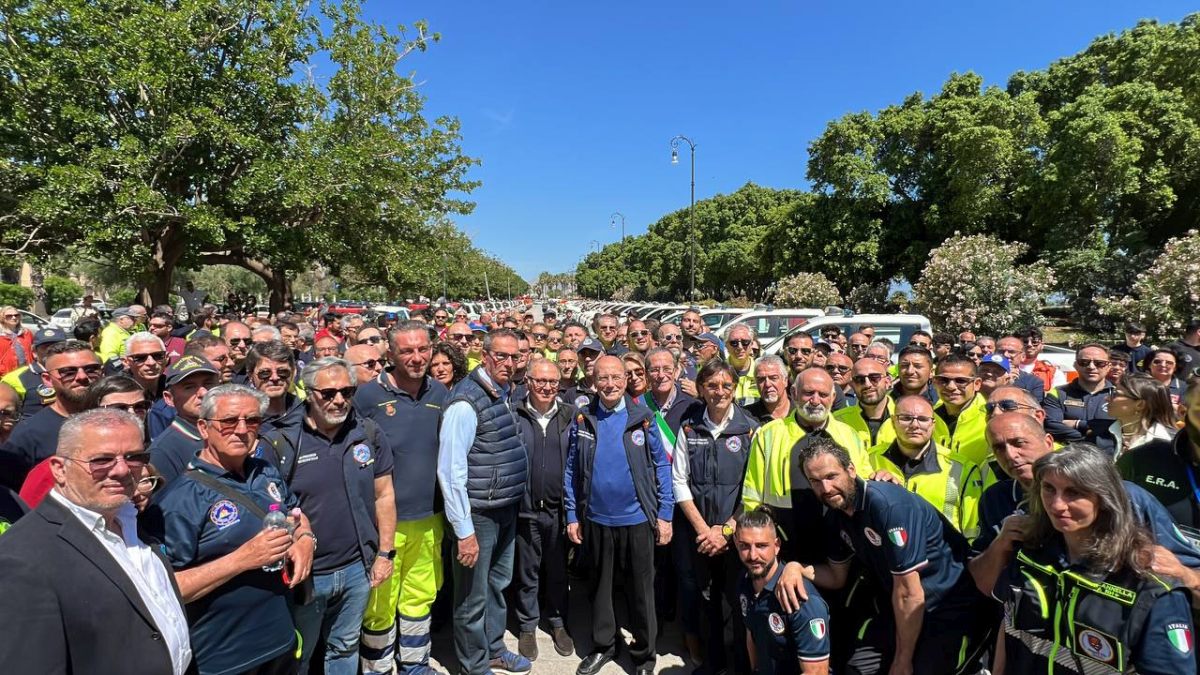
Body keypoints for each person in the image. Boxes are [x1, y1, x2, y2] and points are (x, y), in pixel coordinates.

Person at [0, 408, 193, 674]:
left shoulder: (127, 519)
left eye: (134, 457)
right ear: (59, 469)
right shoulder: (22, 558)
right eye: (101, 460)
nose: (122, 470)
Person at [781, 438, 995, 675]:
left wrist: (902, 660)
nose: (826, 488)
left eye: (832, 476)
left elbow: (909, 592)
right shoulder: (836, 515)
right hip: (901, 611)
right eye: (815, 481)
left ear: (851, 469)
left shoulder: (888, 506)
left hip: (950, 609)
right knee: (856, 669)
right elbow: (836, 577)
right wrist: (795, 567)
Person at [149, 384, 314, 675]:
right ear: (204, 427)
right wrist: (242, 559)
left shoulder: (264, 470)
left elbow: (295, 513)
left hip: (281, 642)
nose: (241, 430)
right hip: (224, 658)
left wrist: (304, 539)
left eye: (252, 420)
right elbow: (164, 590)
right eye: (228, 421)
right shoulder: (179, 500)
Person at [989, 445, 1197, 674]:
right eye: (1049, 489)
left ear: (1104, 498)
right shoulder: (1028, 554)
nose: (1057, 504)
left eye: (1073, 492)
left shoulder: (1150, 588)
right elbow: (1008, 627)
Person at [260, 357, 395, 675]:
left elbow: (385, 495)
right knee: (298, 655)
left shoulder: (367, 432)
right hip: (306, 576)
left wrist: (385, 553)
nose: (339, 400)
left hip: (357, 569)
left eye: (347, 391)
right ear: (308, 393)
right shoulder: (280, 442)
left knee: (345, 648)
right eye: (329, 393)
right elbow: (270, 510)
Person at [564, 355, 673, 675]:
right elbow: (571, 469)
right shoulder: (584, 418)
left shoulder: (644, 418)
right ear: (593, 382)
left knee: (641, 592)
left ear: (626, 380)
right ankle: (604, 646)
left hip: (637, 520)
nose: (610, 384)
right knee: (600, 589)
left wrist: (665, 513)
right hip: (596, 520)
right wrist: (571, 514)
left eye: (616, 377)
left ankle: (643, 656)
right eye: (603, 378)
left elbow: (661, 466)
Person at [356, 321, 451, 675]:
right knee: (379, 604)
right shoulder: (367, 397)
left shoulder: (440, 392)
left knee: (420, 597)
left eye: (423, 349)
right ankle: (378, 668)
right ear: (391, 353)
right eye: (407, 351)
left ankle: (415, 664)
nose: (417, 357)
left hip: (429, 518)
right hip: (384, 523)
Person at [437, 329, 532, 675]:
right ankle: (474, 666)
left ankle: (493, 649)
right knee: (471, 597)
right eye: (501, 356)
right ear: (485, 356)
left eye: (515, 356)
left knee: (497, 585)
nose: (509, 363)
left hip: (503, 507)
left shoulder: (502, 391)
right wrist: (464, 531)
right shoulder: (465, 403)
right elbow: (451, 472)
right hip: (478, 515)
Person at [672, 359, 758, 674]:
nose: (719, 391)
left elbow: (754, 487)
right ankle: (712, 663)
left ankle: (740, 665)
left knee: (736, 600)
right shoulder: (689, 426)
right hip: (701, 534)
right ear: (701, 388)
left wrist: (726, 530)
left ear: (734, 389)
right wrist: (704, 530)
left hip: (737, 533)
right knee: (706, 599)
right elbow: (679, 481)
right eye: (711, 385)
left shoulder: (750, 428)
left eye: (726, 385)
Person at [742, 367, 866, 564]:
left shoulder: (849, 435)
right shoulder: (769, 434)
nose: (815, 400)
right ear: (793, 393)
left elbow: (864, 488)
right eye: (808, 393)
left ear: (833, 397)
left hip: (842, 547)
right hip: (785, 546)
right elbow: (752, 494)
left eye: (823, 394)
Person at [513, 359, 577, 660]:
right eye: (540, 381)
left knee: (558, 570)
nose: (547, 387)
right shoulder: (514, 413)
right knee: (527, 570)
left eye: (552, 382)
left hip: (558, 510)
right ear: (528, 381)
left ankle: (558, 621)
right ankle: (527, 625)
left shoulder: (570, 415)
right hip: (525, 509)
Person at [868, 395, 982, 537]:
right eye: (906, 418)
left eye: (922, 419)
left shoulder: (962, 468)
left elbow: (972, 533)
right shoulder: (869, 459)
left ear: (933, 424)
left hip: (941, 548)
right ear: (893, 422)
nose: (915, 425)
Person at [735, 508, 832, 675]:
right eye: (744, 546)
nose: (753, 555)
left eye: (761, 546)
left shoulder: (802, 601)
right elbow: (752, 631)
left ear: (777, 545)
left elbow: (816, 672)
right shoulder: (745, 581)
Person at [0, 339, 101, 489]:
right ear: (47, 380)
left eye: (91, 369)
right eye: (68, 372)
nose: (82, 377)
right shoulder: (27, 435)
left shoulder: (120, 418)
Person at [148, 356, 222, 484]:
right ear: (169, 398)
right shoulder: (163, 452)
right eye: (189, 387)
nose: (203, 393)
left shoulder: (237, 429)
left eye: (208, 384)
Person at [1044, 343, 1117, 453]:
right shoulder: (1058, 393)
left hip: (1107, 458)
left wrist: (1078, 423)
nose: (1091, 367)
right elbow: (1051, 425)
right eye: (1084, 362)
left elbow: (1121, 427)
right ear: (1075, 365)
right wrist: (1091, 440)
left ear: (1109, 367)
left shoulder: (1119, 395)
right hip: (1067, 457)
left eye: (1099, 363)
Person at [931, 354, 990, 465]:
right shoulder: (926, 418)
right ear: (934, 382)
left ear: (977, 384)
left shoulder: (990, 418)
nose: (951, 387)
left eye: (961, 381)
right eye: (943, 380)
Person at [638, 347, 696, 460]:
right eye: (654, 370)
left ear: (676, 371)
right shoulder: (638, 406)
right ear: (646, 374)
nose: (661, 375)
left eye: (667, 369)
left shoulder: (693, 407)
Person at [1, 325, 66, 420]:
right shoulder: (14, 379)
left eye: (58, 347)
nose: (52, 351)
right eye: (46, 348)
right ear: (34, 352)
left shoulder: (79, 372)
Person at [833, 355, 896, 448]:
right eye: (860, 380)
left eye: (874, 378)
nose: (867, 384)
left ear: (887, 382)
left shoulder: (906, 418)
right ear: (852, 385)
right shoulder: (838, 421)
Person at [246, 341, 304, 433]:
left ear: (294, 372)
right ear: (250, 376)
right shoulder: (242, 419)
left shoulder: (309, 415)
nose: (275, 378)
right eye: (265, 373)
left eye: (282, 372)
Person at [1109, 373, 1177, 452]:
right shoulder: (1108, 433)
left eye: (1116, 394)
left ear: (1140, 405)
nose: (1107, 398)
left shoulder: (1167, 443)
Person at [997, 335, 1046, 402]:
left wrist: (1011, 385)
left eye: (1012, 352)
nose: (1005, 355)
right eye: (1001, 352)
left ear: (1023, 357)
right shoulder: (985, 377)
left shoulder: (1034, 382)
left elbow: (1034, 407)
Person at [746, 355, 793, 424]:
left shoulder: (801, 411)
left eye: (773, 378)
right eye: (761, 379)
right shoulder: (747, 417)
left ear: (785, 381)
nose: (767, 384)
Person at [1017, 326, 1066, 390]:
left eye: (1034, 342)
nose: (1029, 345)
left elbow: (1058, 395)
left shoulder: (1053, 373)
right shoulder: (1006, 369)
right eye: (1025, 342)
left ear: (1042, 345)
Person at [122, 332, 168, 399]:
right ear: (126, 362)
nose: (151, 363)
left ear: (166, 358)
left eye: (157, 356)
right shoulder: (115, 393)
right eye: (140, 358)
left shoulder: (174, 387)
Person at [726, 324, 761, 406]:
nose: (740, 347)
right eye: (734, 343)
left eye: (745, 342)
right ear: (726, 346)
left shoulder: (761, 372)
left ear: (751, 344)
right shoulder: (718, 373)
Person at [0, 305, 34, 376]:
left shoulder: (27, 333)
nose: (14, 317)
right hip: (7, 374)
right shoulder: (1, 336)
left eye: (16, 315)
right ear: (2, 318)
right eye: (9, 316)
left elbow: (33, 351)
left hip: (27, 371)